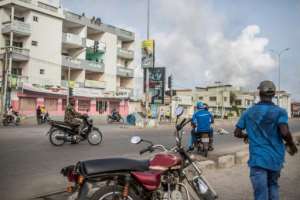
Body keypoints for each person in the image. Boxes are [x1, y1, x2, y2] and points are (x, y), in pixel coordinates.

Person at [234, 80, 298, 200]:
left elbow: (237, 133)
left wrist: (246, 136)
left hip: (258, 160)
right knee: (273, 185)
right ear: (273, 94)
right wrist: (291, 144)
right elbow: (284, 132)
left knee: (260, 194)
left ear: (259, 93)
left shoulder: (248, 112)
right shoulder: (280, 112)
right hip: (275, 159)